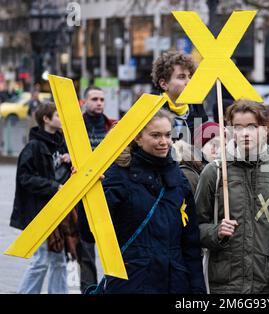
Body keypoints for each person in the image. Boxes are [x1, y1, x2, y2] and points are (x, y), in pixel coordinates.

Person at [78, 109, 205, 293]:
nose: (164, 142)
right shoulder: (117, 176)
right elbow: (90, 233)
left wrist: (197, 289)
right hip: (133, 282)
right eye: (156, 135)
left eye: (168, 135)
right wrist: (87, 194)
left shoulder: (178, 177)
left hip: (175, 282)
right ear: (138, 138)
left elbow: (190, 242)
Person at [195, 100, 269, 293]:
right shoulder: (214, 172)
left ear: (266, 130)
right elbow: (194, 227)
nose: (245, 133)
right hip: (225, 285)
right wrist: (215, 232)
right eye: (238, 127)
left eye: (253, 127)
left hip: (267, 283)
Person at [10, 103, 72, 294]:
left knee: (59, 259)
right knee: (40, 260)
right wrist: (54, 186)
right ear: (46, 119)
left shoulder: (62, 143)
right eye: (57, 115)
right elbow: (25, 178)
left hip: (57, 210)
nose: (62, 119)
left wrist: (70, 162)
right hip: (39, 211)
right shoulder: (33, 146)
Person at [76, 86, 116, 293]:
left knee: (113, 248)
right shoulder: (75, 127)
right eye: (94, 99)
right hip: (83, 194)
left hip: (109, 192)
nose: (99, 102)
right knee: (85, 249)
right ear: (85, 101)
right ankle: (88, 289)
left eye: (101, 99)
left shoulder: (112, 128)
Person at [152, 51, 209, 143]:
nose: (189, 82)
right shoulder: (153, 110)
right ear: (164, 84)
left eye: (190, 77)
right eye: (181, 77)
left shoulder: (197, 106)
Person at [172, 121, 221, 194]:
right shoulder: (188, 175)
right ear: (200, 146)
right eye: (214, 144)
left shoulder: (222, 171)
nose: (219, 150)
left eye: (223, 145)